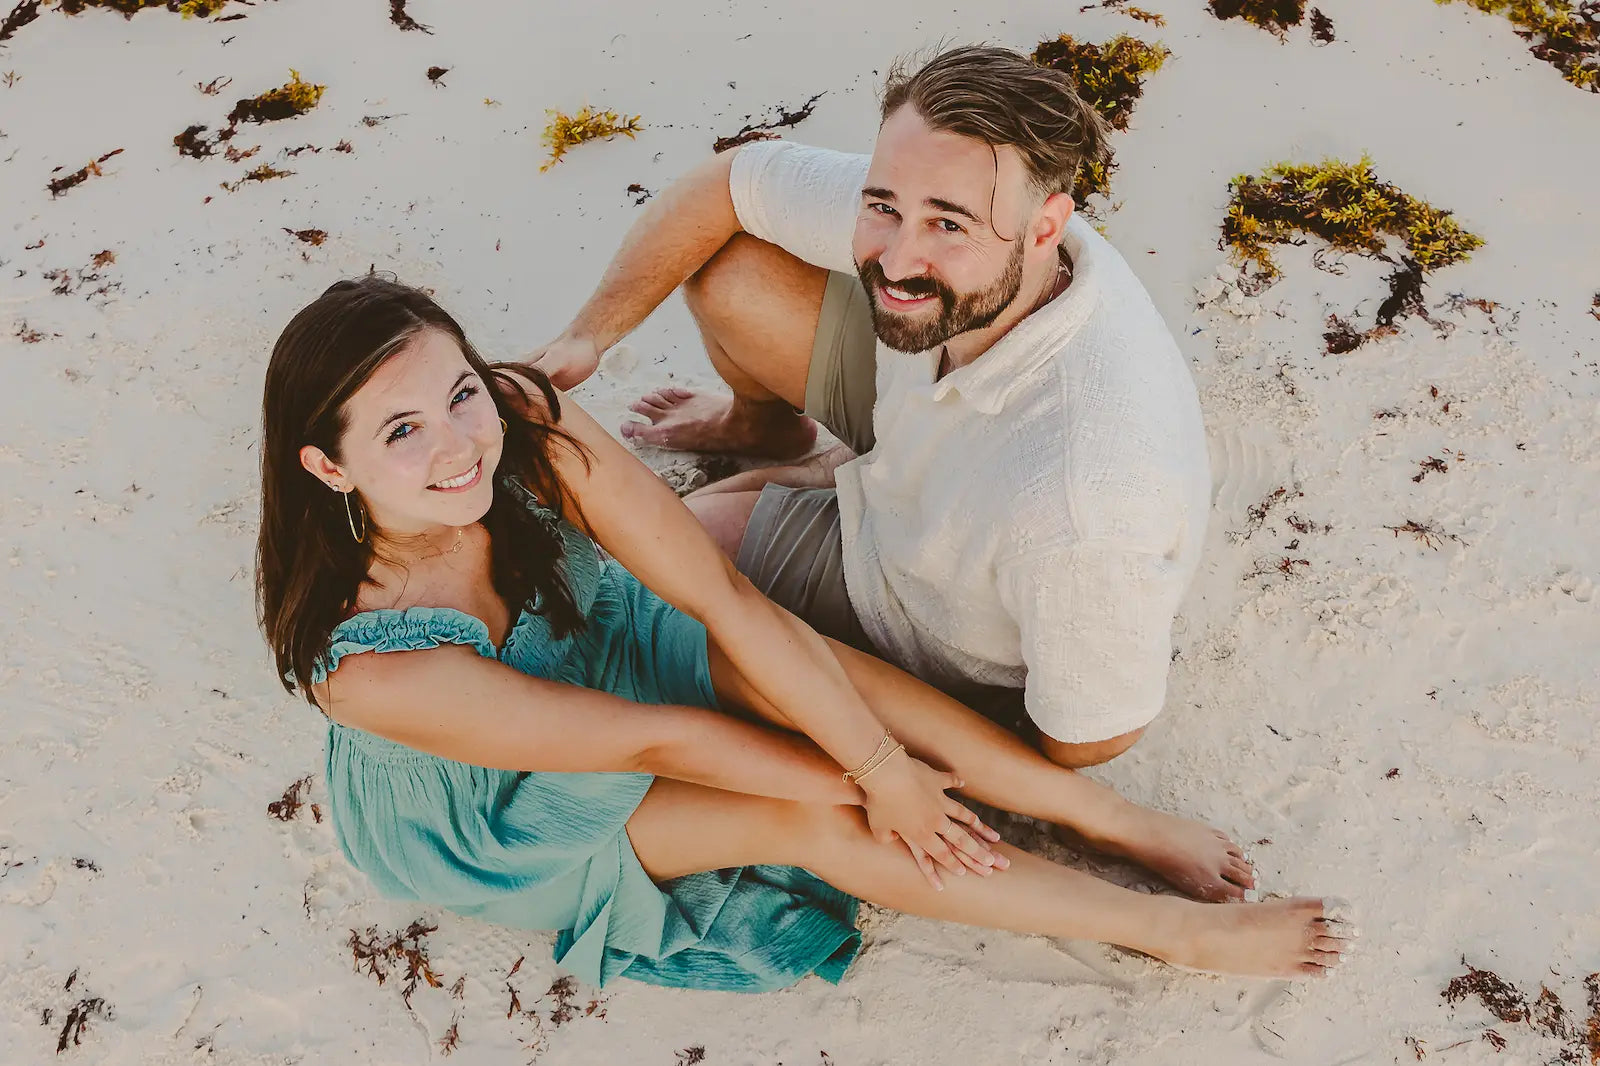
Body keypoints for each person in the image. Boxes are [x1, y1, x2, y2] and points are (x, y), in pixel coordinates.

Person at [254, 275, 1352, 993]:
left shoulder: (517, 415)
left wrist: (878, 755)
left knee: (785, 657)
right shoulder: (371, 668)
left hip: (605, 647)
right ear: (328, 466)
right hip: (508, 812)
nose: (459, 445)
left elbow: (728, 603)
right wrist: (869, 783)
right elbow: (651, 745)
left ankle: (1099, 811)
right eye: (403, 430)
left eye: (458, 394)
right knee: (816, 817)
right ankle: (1169, 933)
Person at [528, 45, 1211, 771]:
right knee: (732, 270)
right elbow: (730, 184)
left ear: (1046, 227)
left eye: (949, 226)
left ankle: (824, 481)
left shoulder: (1081, 502)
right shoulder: (952, 204)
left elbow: (1091, 736)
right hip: (917, 450)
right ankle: (771, 434)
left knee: (651, 576)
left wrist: (925, 734)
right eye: (883, 205)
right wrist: (585, 337)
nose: (897, 258)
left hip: (935, 603)